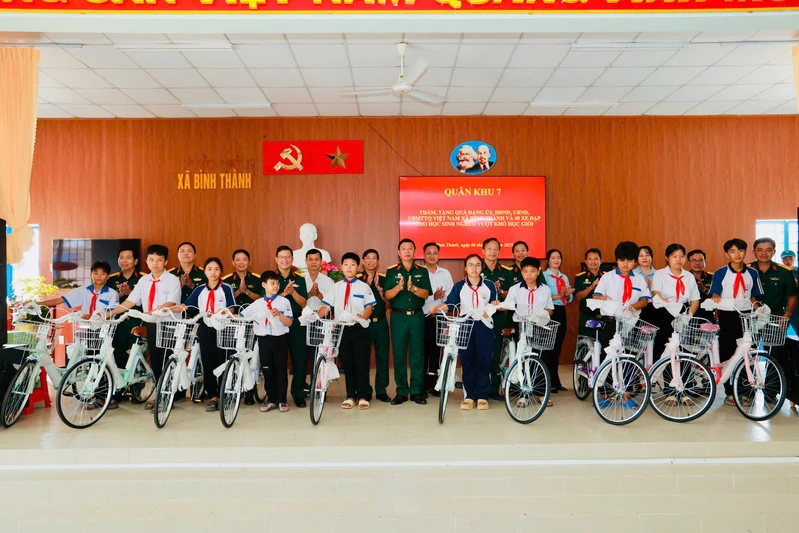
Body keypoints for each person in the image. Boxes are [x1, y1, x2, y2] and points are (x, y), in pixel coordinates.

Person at [108, 244, 181, 411]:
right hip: (151, 323)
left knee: (165, 360)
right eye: (151, 260)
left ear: (166, 262)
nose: (155, 263)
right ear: (147, 261)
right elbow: (130, 301)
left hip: (167, 324)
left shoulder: (172, 280)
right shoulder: (144, 280)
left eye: (159, 260)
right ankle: (160, 394)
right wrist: (110, 313)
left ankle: (165, 397)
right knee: (155, 360)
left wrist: (156, 309)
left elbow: (172, 302)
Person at [429, 254, 499, 410]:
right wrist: (437, 308)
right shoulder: (460, 286)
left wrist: (491, 309)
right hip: (465, 325)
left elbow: (494, 303)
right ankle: (469, 396)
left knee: (484, 361)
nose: (474, 268)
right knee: (467, 361)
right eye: (470, 265)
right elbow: (450, 303)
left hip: (484, 326)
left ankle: (482, 396)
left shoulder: (489, 285)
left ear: (482, 267)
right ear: (465, 268)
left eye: (477, 265)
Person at [173, 257, 235, 412]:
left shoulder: (226, 288)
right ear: (205, 271)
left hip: (222, 328)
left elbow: (231, 308)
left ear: (221, 271)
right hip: (205, 327)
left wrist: (223, 313)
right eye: (209, 269)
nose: (213, 272)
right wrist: (167, 309)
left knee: (222, 361)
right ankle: (212, 395)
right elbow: (186, 305)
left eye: (216, 269)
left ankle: (223, 393)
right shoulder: (199, 289)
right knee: (207, 361)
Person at [317, 252, 376, 410]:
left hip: (360, 329)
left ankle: (363, 396)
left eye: (353, 264)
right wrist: (314, 316)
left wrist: (363, 318)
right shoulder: (335, 287)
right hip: (342, 329)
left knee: (361, 363)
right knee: (347, 363)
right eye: (346, 264)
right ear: (341, 267)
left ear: (358, 267)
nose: (349, 267)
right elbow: (326, 307)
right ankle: (351, 396)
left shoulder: (364, 287)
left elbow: (369, 307)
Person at [709, 238, 764, 406]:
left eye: (740, 250)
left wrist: (759, 310)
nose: (737, 254)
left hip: (746, 317)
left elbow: (754, 296)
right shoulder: (720, 273)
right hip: (727, 315)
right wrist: (715, 297)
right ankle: (730, 392)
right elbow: (715, 294)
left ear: (745, 252)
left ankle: (745, 391)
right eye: (732, 251)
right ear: (727, 254)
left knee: (747, 352)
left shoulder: (753, 273)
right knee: (727, 352)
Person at [495, 256, 555, 406]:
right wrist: (498, 305)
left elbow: (550, 309)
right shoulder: (515, 289)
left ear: (538, 271)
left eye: (532, 271)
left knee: (539, 359)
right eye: (525, 271)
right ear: (521, 272)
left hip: (538, 327)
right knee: (521, 358)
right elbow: (508, 305)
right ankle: (523, 393)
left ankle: (540, 393)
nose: (529, 274)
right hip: (521, 327)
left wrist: (543, 314)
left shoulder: (545, 289)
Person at [384, 238, 432, 405]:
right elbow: (387, 295)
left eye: (410, 248)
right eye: (403, 248)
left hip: (417, 317)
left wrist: (413, 289)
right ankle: (402, 391)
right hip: (398, 317)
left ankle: (417, 391)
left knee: (417, 354)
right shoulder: (391, 271)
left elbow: (426, 294)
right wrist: (398, 288)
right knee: (399, 354)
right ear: (399, 252)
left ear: (414, 251)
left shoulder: (422, 271)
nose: (407, 251)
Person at [242, 271, 293, 413]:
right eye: (272, 283)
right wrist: (225, 315)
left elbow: (289, 322)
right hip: (263, 340)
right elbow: (243, 315)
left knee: (280, 369)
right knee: (267, 369)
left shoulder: (284, 302)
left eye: (277, 283)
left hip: (279, 339)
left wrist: (280, 314)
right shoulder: (257, 304)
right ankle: (271, 399)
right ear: (264, 285)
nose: (276, 286)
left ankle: (282, 400)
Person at [593, 241, 652, 351]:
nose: (625, 264)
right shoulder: (607, 277)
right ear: (617, 260)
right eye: (622, 260)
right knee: (608, 354)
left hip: (631, 323)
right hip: (610, 322)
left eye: (629, 261)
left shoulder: (639, 279)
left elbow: (644, 300)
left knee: (628, 355)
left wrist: (634, 306)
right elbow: (596, 296)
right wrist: (601, 299)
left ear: (635, 262)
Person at [106, 246, 146, 398]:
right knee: (118, 354)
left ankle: (136, 390)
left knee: (137, 355)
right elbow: (106, 302)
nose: (124, 261)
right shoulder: (111, 280)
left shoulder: (143, 278)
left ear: (135, 261)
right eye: (121, 257)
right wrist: (119, 295)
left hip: (138, 322)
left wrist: (130, 294)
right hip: (118, 323)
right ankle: (118, 390)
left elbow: (148, 302)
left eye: (128, 257)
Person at [481, 237, 516, 401]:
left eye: (496, 249)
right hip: (481, 317)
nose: (492, 252)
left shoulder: (506, 272)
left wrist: (501, 292)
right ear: (483, 251)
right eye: (489, 248)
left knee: (496, 353)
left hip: (499, 317)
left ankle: (494, 388)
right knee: (481, 352)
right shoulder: (477, 268)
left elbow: (512, 295)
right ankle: (480, 387)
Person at [650, 244, 701, 355]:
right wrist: (662, 299)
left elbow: (695, 299)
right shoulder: (660, 273)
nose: (678, 259)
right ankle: (660, 366)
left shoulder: (689, 276)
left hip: (683, 312)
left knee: (684, 348)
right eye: (674, 256)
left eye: (681, 256)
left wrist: (688, 316)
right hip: (665, 311)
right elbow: (656, 292)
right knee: (663, 344)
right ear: (667, 258)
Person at [274, 246, 309, 407]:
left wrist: (293, 292)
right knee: (278, 360)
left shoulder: (299, 279)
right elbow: (267, 301)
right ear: (276, 259)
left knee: (299, 359)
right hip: (277, 322)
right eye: (281, 257)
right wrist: (283, 294)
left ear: (292, 259)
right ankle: (279, 395)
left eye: (288, 257)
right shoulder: (271, 278)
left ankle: (298, 393)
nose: (285, 260)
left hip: (296, 322)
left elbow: (303, 303)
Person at [358, 249, 392, 403]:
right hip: (364, 323)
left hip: (381, 322)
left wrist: (379, 288)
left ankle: (381, 390)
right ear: (363, 261)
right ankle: (364, 390)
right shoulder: (357, 279)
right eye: (368, 258)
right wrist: (366, 286)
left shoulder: (384, 278)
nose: (371, 261)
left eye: (374, 258)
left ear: (378, 261)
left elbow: (389, 303)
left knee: (383, 357)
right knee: (362, 357)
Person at [421, 242, 454, 398]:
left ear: (439, 255)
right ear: (423, 255)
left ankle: (434, 384)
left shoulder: (445, 274)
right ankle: (422, 384)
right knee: (422, 352)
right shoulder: (420, 273)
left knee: (437, 352)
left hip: (440, 318)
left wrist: (442, 298)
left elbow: (451, 297)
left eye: (435, 253)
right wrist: (432, 296)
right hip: (423, 317)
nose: (432, 256)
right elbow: (416, 297)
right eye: (429, 253)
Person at [542, 249, 574, 393]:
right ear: (547, 261)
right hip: (549, 311)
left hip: (561, 311)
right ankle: (547, 381)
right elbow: (542, 297)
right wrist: (558, 295)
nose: (556, 260)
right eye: (553, 258)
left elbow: (568, 299)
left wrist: (567, 295)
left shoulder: (564, 277)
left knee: (557, 347)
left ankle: (555, 380)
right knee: (548, 347)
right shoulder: (543, 276)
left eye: (558, 257)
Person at [574, 248, 604, 338]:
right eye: (590, 259)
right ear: (586, 261)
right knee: (585, 343)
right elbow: (578, 297)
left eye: (596, 259)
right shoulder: (580, 277)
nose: (593, 262)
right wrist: (591, 287)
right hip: (586, 317)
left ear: (600, 261)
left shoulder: (606, 276)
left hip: (603, 317)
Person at [687, 249, 715, 323]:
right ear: (688, 263)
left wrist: (704, 290)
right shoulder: (684, 278)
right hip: (690, 316)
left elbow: (717, 297)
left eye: (700, 260)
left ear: (705, 262)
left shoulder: (713, 277)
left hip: (709, 317)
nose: (697, 263)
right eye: (694, 261)